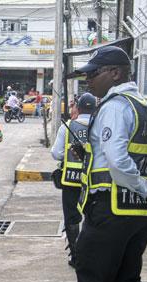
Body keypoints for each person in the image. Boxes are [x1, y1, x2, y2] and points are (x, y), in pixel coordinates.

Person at [73, 46, 147, 282]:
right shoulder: (146, 110)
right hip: (141, 214)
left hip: (110, 209)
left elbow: (118, 161)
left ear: (115, 73)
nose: (88, 80)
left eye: (94, 73)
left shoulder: (115, 107)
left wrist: (144, 187)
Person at [50, 93, 96, 268]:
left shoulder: (68, 126)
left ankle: (76, 257)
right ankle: (90, 256)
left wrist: (67, 155)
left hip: (70, 180)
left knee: (72, 219)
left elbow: (55, 153)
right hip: (92, 181)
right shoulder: (98, 126)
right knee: (91, 218)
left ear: (80, 108)